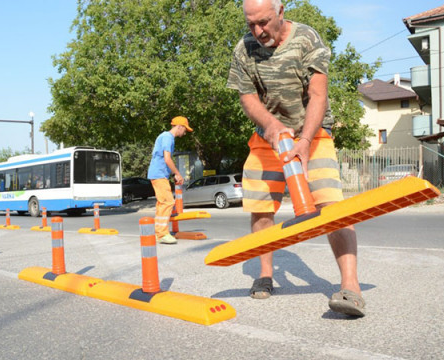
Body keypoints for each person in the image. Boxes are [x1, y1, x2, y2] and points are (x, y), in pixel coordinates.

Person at [226, 0, 364, 316]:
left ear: (281, 12)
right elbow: (247, 97)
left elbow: (318, 94)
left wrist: (303, 141)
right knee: (260, 209)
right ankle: (264, 274)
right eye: (251, 24)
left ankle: (350, 287)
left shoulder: (307, 39)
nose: (257, 30)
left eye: (263, 22)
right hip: (268, 139)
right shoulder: (244, 49)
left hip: (312, 135)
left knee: (332, 206)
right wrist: (272, 126)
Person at [147, 116, 192, 245]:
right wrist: (177, 174)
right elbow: (167, 159)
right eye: (185, 129)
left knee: (162, 203)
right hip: (159, 174)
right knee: (168, 202)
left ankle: (158, 233)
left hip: (159, 174)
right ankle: (162, 234)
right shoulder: (168, 137)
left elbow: (163, 159)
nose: (185, 133)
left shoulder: (164, 136)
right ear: (180, 126)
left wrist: (171, 174)